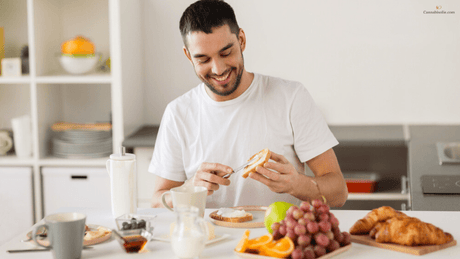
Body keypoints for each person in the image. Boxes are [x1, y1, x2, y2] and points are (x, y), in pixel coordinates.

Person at [149, 0, 348, 209]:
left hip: (279, 239)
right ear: (188, 56)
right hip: (210, 240)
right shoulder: (178, 113)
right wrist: (188, 190)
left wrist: (296, 184)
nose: (218, 69)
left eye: (226, 53)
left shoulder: (291, 97)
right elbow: (156, 201)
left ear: (241, 40)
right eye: (203, 59)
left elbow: (338, 193)